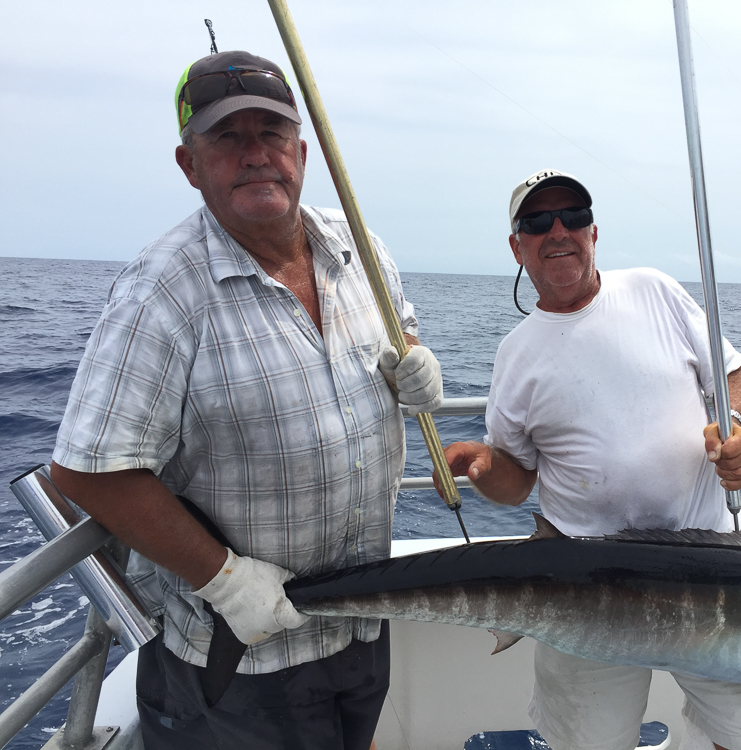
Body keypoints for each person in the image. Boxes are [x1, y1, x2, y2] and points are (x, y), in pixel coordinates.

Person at [49, 50, 442, 750]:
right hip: (241, 655)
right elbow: (85, 471)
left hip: (357, 621)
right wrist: (225, 580)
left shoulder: (362, 249)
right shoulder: (163, 290)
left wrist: (409, 357)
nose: (256, 154)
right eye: (227, 138)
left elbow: (398, 326)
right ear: (188, 164)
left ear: (303, 150)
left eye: (272, 133)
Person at [438, 170, 741, 750]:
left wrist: (739, 427)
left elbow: (734, 375)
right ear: (516, 246)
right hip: (585, 586)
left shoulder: (654, 290)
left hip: (712, 566)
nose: (558, 231)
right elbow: (518, 482)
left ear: (594, 231)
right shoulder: (516, 353)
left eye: (573, 217)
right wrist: (481, 466)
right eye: (537, 221)